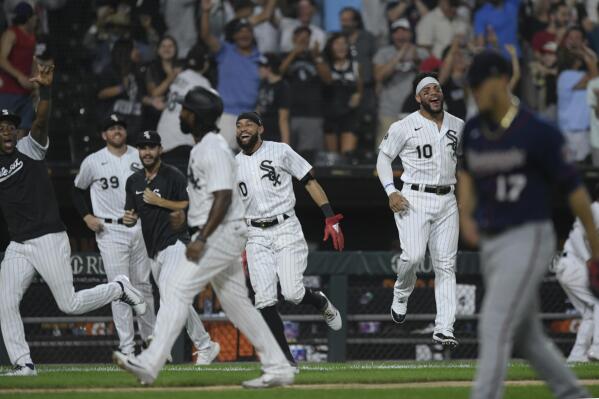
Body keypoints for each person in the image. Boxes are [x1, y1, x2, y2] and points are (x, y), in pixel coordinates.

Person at [113, 87, 296, 388]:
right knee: (239, 307)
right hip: (219, 230)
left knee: (177, 289)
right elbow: (210, 198)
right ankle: (279, 367)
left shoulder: (212, 147)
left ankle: (149, 362)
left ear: (195, 116)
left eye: (185, 110)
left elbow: (223, 197)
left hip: (221, 233)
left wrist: (200, 238)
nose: (180, 114)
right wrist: (187, 218)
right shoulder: (202, 147)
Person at [460, 50, 597, 399]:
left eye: (481, 83)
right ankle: (573, 393)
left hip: (529, 235)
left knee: (494, 323)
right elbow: (467, 177)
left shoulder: (538, 132)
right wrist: (465, 215)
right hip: (492, 240)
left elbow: (576, 195)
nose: (476, 91)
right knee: (526, 335)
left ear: (504, 79)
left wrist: (596, 250)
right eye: (471, 85)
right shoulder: (474, 130)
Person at [0, 64, 146, 376]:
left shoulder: (29, 148)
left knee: (69, 304)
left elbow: (40, 121)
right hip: (18, 244)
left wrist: (47, 91)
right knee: (4, 302)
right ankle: (23, 363)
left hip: (48, 237)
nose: (7, 130)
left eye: (10, 126)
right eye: (1, 127)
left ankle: (119, 288)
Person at [234, 111, 344, 366]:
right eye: (239, 125)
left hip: (285, 227)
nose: (243, 129)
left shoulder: (280, 150)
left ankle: (319, 300)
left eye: (249, 123)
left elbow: (309, 181)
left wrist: (329, 217)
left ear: (260, 128)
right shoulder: (233, 164)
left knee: (293, 293)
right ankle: (285, 360)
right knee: (264, 299)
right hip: (254, 234)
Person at [376, 72, 463, 348]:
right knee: (413, 257)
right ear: (418, 98)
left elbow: (467, 162)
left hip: (448, 199)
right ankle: (401, 293)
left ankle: (444, 328)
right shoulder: (405, 125)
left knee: (446, 266)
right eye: (427, 90)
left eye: (436, 88)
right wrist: (391, 190)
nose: (433, 93)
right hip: (413, 197)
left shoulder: (458, 125)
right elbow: (383, 158)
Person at [120, 130, 220, 365]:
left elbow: (189, 203)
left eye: (151, 146)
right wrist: (130, 219)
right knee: (178, 299)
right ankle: (206, 345)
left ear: (160, 150)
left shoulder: (173, 175)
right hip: (153, 250)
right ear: (139, 151)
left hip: (176, 243)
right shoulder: (132, 181)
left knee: (170, 293)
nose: (147, 151)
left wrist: (160, 201)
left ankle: (159, 344)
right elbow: (132, 212)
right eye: (143, 147)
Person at [72, 114, 157, 358]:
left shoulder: (138, 155)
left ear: (125, 132)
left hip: (139, 227)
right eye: (111, 128)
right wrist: (87, 216)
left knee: (144, 287)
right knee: (120, 288)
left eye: (120, 127)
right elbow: (77, 190)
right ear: (104, 135)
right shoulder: (94, 161)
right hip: (110, 230)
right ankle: (128, 347)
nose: (116, 131)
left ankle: (150, 344)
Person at [200, 0, 261, 150]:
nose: (244, 34)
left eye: (247, 31)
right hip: (226, 115)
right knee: (222, 159)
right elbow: (206, 35)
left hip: (251, 116)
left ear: (252, 35)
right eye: (240, 31)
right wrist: (206, 12)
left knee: (250, 164)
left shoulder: (260, 58)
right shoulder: (225, 51)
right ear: (234, 36)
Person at [555, 184, 599, 362]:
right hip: (574, 263)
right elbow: (575, 235)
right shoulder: (595, 208)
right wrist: (589, 260)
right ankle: (596, 349)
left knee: (590, 312)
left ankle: (576, 357)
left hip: (569, 265)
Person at [280, 26, 329, 161]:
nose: (303, 40)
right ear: (293, 39)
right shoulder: (285, 56)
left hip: (312, 114)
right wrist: (294, 53)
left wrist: (317, 57)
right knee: (287, 157)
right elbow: (278, 73)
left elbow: (328, 79)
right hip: (289, 115)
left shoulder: (318, 56)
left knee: (308, 158)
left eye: (306, 37)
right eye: (300, 37)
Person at [157, 44, 212, 160]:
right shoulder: (203, 83)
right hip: (181, 136)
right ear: (205, 63)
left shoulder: (180, 75)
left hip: (163, 129)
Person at [373, 18, 421, 149]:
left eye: (404, 31)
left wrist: (417, 60)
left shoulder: (420, 52)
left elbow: (432, 78)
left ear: (410, 34)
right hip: (389, 110)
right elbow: (379, 75)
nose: (400, 35)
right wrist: (400, 54)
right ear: (392, 35)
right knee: (385, 152)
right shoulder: (383, 53)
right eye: (396, 32)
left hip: (415, 112)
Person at [322, 33, 362, 156]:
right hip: (330, 115)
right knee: (332, 158)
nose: (341, 47)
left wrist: (357, 96)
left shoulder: (356, 66)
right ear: (330, 47)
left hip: (349, 115)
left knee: (347, 157)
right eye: (337, 43)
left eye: (344, 43)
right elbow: (326, 80)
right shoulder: (325, 66)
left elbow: (359, 90)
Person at [557, 44, 598, 162]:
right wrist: (590, 57)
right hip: (571, 134)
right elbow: (595, 79)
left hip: (580, 133)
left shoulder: (577, 77)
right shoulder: (566, 76)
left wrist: (591, 56)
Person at [0, 2, 37, 131]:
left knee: (23, 130)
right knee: (5, 129)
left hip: (25, 93)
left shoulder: (32, 37)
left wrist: (34, 84)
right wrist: (19, 76)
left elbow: (31, 61)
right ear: (29, 17)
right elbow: (1, 59)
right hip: (8, 92)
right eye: (34, 16)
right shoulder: (11, 33)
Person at [143, 35, 179, 131]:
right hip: (157, 113)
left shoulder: (181, 67)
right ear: (158, 50)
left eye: (170, 46)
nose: (167, 49)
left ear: (175, 50)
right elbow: (154, 93)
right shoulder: (152, 68)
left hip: (177, 112)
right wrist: (171, 77)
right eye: (163, 46)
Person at [256, 53, 291, 144]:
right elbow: (259, 110)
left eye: (261, 67)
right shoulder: (263, 84)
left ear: (269, 68)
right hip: (262, 135)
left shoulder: (282, 87)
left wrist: (285, 146)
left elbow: (283, 119)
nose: (258, 70)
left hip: (275, 137)